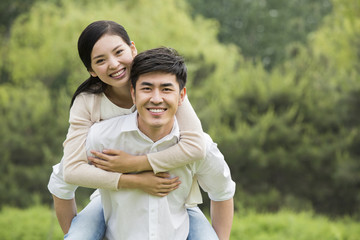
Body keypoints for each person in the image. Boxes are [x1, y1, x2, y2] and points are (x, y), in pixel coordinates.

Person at [47, 20, 208, 239]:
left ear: (133, 49)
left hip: (173, 196)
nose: (113, 64)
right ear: (91, 70)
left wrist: (134, 164)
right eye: (100, 61)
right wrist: (136, 181)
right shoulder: (88, 103)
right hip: (112, 197)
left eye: (118, 52)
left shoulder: (157, 84)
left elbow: (196, 147)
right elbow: (71, 170)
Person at [86, 46, 235, 240]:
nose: (156, 99)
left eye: (166, 89)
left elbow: (222, 192)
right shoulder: (102, 138)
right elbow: (61, 183)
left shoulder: (198, 145)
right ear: (133, 93)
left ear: (181, 96)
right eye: (147, 88)